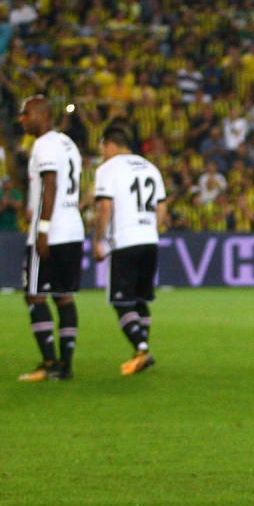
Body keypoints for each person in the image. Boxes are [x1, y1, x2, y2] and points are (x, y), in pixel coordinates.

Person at [92, 122, 168, 375]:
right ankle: (139, 354)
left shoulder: (108, 169)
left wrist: (98, 240)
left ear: (111, 145)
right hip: (149, 239)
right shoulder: (150, 167)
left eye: (103, 147)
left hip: (125, 240)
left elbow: (105, 207)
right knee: (140, 299)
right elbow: (161, 207)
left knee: (122, 301)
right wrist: (152, 231)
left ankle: (142, 348)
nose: (102, 153)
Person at [17, 95, 84, 381]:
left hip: (51, 232)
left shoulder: (43, 144)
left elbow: (51, 184)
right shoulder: (68, 144)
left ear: (42, 116)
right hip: (73, 228)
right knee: (64, 298)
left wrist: (42, 228)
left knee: (34, 296)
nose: (22, 119)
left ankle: (48, 362)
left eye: (26, 114)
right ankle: (65, 365)